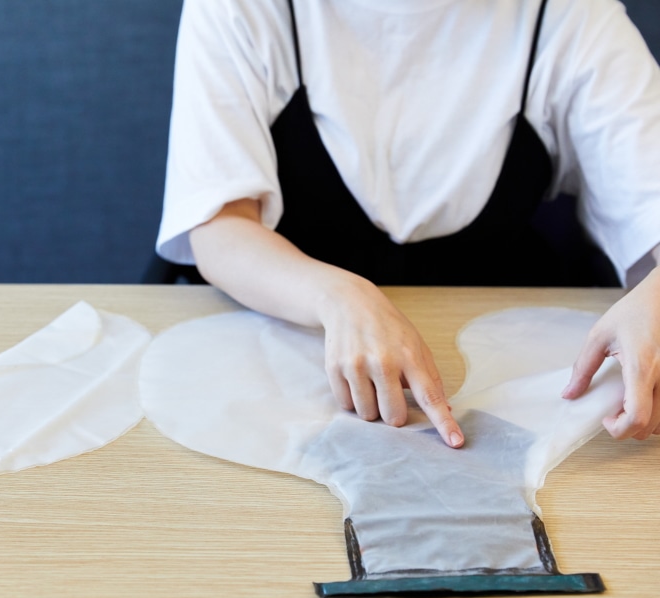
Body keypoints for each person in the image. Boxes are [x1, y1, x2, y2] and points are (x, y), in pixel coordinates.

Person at [153, 0, 660, 448]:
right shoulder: (242, 8)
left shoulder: (573, 16)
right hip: (283, 356)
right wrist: (339, 297)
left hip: (500, 376)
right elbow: (220, 228)